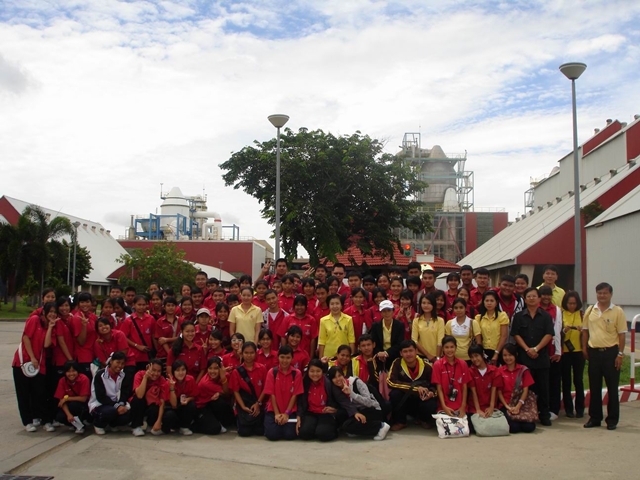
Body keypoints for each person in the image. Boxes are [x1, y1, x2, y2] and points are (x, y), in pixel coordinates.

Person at [582, 282, 627, 430]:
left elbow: (621, 335)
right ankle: (595, 418)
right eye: (599, 293)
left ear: (610, 294)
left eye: (605, 293)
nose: (602, 296)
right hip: (594, 353)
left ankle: (612, 420)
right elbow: (585, 331)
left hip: (611, 353)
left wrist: (620, 354)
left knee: (612, 388)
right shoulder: (590, 310)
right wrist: (584, 348)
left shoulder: (618, 311)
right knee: (594, 387)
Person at [511, 287, 554, 426]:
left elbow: (549, 334)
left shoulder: (546, 316)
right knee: (526, 388)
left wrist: (536, 349)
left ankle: (544, 415)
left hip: (541, 357)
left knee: (543, 388)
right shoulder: (519, 316)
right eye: (528, 296)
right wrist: (527, 349)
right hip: (525, 358)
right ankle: (528, 413)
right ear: (524, 299)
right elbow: (515, 334)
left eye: (534, 296)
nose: (531, 298)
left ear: (539, 298)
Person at [12, 302, 57, 432]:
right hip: (23, 363)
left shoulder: (52, 326)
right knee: (24, 394)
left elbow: (47, 344)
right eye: (50, 311)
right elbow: (26, 338)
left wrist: (50, 327)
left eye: (55, 312)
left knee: (40, 393)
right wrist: (32, 357)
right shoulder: (34, 320)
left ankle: (46, 420)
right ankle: (27, 421)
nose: (53, 314)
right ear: (44, 312)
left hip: (39, 365)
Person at [387, 340, 437, 431]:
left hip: (420, 400)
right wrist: (414, 388)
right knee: (395, 394)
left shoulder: (427, 366)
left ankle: (423, 420)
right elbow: (390, 382)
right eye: (405, 351)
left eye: (411, 351)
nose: (408, 354)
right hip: (405, 400)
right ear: (401, 353)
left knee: (431, 403)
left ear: (416, 351)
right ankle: (401, 422)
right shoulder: (397, 363)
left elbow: (435, 386)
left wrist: (431, 393)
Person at [328, 367, 390, 440]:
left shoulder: (356, 382)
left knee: (348, 426)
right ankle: (358, 430)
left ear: (343, 375)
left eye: (339, 375)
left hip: (372, 409)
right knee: (343, 417)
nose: (338, 379)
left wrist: (352, 394)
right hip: (359, 411)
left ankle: (380, 426)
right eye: (334, 377)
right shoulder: (336, 390)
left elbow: (369, 402)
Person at [297, 359, 347, 442]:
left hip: (326, 413)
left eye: (318, 371)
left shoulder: (328, 382)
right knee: (304, 433)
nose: (315, 374)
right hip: (310, 412)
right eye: (312, 371)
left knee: (323, 434)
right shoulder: (305, 382)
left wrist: (335, 409)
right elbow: (300, 401)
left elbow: (339, 399)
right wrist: (299, 416)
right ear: (308, 371)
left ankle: (331, 428)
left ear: (322, 371)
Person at [263, 345, 304, 441]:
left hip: (290, 410)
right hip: (273, 409)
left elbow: (295, 395)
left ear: (292, 358)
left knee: (290, 435)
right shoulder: (272, 372)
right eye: (282, 357)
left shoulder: (297, 373)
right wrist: (277, 414)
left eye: (288, 357)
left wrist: (286, 413)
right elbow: (271, 394)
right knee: (272, 435)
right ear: (278, 357)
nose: (285, 360)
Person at [229, 342, 268, 437]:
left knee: (260, 431)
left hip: (259, 404)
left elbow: (265, 388)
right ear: (242, 354)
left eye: (251, 353)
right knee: (244, 432)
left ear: (256, 353)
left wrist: (258, 403)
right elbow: (235, 391)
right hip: (244, 404)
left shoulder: (262, 368)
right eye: (246, 353)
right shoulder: (237, 371)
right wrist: (243, 407)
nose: (249, 355)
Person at [89, 351, 133, 435]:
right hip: (100, 404)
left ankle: (113, 424)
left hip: (116, 403)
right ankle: (98, 424)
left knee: (129, 414)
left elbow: (125, 392)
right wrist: (117, 406)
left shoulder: (123, 375)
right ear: (111, 361)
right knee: (110, 411)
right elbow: (101, 396)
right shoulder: (100, 375)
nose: (120, 366)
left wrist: (121, 404)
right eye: (118, 362)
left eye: (122, 363)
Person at [496, 344, 536, 433]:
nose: (507, 358)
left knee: (529, 427)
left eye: (510, 355)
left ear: (516, 355)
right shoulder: (499, 371)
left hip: (521, 405)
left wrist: (518, 406)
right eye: (505, 355)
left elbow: (525, 390)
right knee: (514, 428)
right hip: (506, 405)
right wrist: (507, 407)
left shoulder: (523, 370)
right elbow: (499, 391)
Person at [129, 359, 173, 436]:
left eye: (158, 371)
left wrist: (158, 421)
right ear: (147, 368)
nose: (156, 373)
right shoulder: (139, 374)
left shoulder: (162, 380)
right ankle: (136, 426)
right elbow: (139, 395)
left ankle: (150, 424)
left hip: (151, 404)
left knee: (156, 406)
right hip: (139, 403)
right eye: (153, 370)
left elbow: (162, 401)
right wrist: (145, 377)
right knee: (137, 400)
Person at [539, 285, 563, 420]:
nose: (546, 297)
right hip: (539, 351)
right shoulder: (535, 308)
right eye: (543, 294)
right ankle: (541, 408)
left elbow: (557, 330)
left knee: (554, 381)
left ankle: (554, 409)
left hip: (552, 349)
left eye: (548, 295)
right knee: (541, 383)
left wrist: (558, 351)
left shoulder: (556, 310)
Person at [193, 357, 235, 434]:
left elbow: (230, 393)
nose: (212, 371)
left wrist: (219, 393)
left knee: (221, 403)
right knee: (215, 429)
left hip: (211, 404)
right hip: (201, 407)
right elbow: (226, 393)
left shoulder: (225, 374)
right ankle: (193, 424)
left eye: (216, 368)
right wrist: (223, 378)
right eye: (210, 368)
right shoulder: (206, 383)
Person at [432, 336, 471, 418]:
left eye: (452, 347)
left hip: (461, 407)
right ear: (443, 348)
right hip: (444, 407)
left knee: (463, 426)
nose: (449, 350)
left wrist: (463, 407)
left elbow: (464, 387)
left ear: (456, 347)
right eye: (446, 347)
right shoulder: (437, 365)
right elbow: (439, 388)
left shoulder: (463, 364)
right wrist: (444, 407)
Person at [560, 291, 585, 418]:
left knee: (578, 380)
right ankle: (568, 408)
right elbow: (556, 332)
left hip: (578, 351)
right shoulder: (561, 314)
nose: (572, 306)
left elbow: (588, 331)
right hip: (565, 351)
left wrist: (582, 331)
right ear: (565, 303)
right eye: (569, 303)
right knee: (566, 381)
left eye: (574, 303)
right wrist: (564, 330)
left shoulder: (581, 314)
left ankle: (580, 408)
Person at [120, 295, 157, 372]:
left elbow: (153, 336)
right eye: (139, 305)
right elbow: (123, 337)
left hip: (147, 356)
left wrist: (156, 351)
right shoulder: (128, 320)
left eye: (144, 305)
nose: (141, 307)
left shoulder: (151, 319)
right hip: (133, 356)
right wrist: (137, 346)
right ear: (134, 305)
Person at [54, 361, 90, 434]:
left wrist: (67, 398)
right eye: (68, 371)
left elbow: (83, 399)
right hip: (69, 405)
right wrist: (68, 415)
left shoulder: (84, 379)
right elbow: (61, 401)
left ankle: (81, 424)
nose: (71, 374)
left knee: (74, 405)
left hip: (83, 405)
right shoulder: (62, 381)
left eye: (73, 371)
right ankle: (76, 425)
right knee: (60, 417)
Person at [467, 344, 499, 424]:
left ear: (482, 354)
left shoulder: (494, 370)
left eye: (476, 356)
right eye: (472, 357)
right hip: (474, 408)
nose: (474, 359)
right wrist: (478, 410)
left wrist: (491, 407)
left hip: (490, 407)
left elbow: (494, 390)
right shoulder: (470, 371)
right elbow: (473, 392)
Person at [475, 290, 509, 365]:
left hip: (499, 350)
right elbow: (478, 338)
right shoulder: (478, 318)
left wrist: (496, 353)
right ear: (483, 302)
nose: (489, 303)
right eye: (487, 301)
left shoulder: (502, 316)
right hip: (484, 351)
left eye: (491, 301)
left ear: (496, 303)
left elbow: (504, 336)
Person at [318, 294, 355, 359]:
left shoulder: (348, 319)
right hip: (328, 356)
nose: (335, 306)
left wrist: (351, 356)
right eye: (332, 304)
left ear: (341, 305)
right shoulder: (323, 320)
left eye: (337, 303)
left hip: (344, 356)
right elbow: (322, 341)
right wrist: (321, 358)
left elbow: (351, 339)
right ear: (329, 306)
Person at [71, 292, 98, 380]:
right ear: (78, 304)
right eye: (82, 302)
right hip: (83, 357)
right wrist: (84, 326)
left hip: (93, 355)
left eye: (87, 302)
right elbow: (81, 342)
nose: (85, 304)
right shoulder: (77, 318)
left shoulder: (92, 316)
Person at [370, 300, 404, 369]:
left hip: (395, 356)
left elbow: (399, 343)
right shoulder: (375, 326)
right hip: (379, 357)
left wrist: (386, 353)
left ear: (393, 311)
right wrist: (379, 353)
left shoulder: (400, 325)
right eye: (384, 311)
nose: (387, 313)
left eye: (389, 310)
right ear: (380, 313)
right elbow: (374, 343)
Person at [167, 360, 199, 435]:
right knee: (169, 415)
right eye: (177, 370)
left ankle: (184, 427)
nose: (181, 373)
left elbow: (195, 396)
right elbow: (174, 404)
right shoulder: (169, 382)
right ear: (173, 372)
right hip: (172, 407)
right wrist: (172, 388)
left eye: (183, 370)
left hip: (184, 406)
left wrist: (188, 399)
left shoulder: (190, 379)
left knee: (192, 405)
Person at [445, 298, 482, 363]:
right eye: (456, 308)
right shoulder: (449, 323)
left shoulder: (473, 323)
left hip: (470, 358)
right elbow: (447, 342)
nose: (458, 310)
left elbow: (479, 343)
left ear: (465, 308)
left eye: (461, 307)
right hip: (453, 357)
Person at [412, 294, 445, 363]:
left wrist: (437, 358)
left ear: (433, 304)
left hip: (437, 357)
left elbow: (440, 341)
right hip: (421, 356)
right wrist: (428, 355)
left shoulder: (440, 320)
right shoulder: (416, 321)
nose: (426, 305)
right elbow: (414, 340)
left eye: (429, 303)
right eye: (423, 303)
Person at [154, 296, 180, 363]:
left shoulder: (181, 320)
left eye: (173, 305)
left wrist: (167, 339)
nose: (171, 307)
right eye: (168, 305)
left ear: (176, 307)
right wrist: (170, 355)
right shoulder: (160, 321)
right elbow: (161, 341)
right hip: (163, 355)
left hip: (178, 355)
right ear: (164, 307)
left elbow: (182, 337)